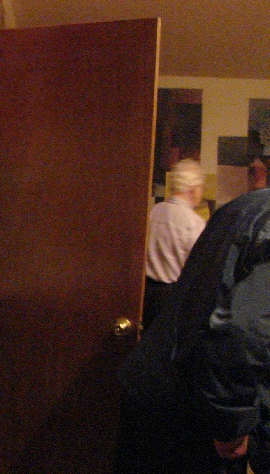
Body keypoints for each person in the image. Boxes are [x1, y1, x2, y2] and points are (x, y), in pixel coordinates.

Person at [115, 188, 270, 474]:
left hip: (161, 377)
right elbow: (240, 333)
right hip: (197, 409)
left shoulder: (247, 205)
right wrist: (231, 425)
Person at [142, 158, 206, 329]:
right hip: (174, 296)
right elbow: (199, 269)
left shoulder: (154, 211)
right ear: (193, 189)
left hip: (146, 293)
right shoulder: (194, 223)